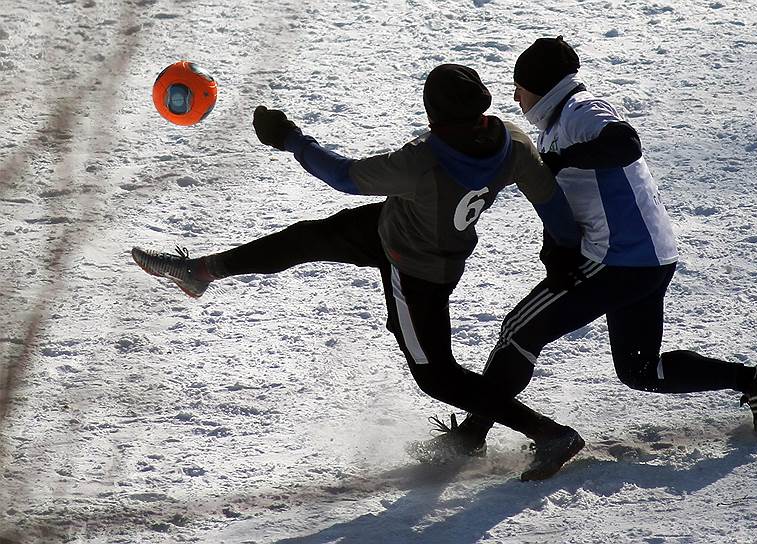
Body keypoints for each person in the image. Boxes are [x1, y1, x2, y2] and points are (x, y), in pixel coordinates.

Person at [131, 64, 585, 481]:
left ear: (435, 115)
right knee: (305, 238)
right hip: (398, 228)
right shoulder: (512, 141)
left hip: (418, 269)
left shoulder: (423, 161)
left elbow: (344, 177)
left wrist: (290, 137)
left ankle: (547, 433)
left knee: (436, 375)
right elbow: (550, 201)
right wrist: (564, 251)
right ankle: (202, 271)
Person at [414, 38, 757, 474]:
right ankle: (751, 380)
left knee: (519, 329)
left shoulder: (580, 110)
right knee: (641, 369)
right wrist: (555, 244)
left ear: (541, 85)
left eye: (520, 87)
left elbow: (626, 143)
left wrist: (561, 161)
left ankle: (472, 436)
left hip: (618, 259)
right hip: (650, 259)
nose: (515, 97)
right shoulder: (558, 122)